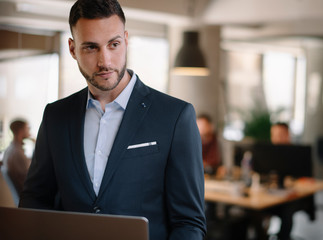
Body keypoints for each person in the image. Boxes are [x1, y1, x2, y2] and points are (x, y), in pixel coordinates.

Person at [19, 1, 206, 239]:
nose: (105, 61)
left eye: (114, 44)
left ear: (126, 40)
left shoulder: (175, 116)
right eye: (90, 48)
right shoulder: (56, 115)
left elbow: (189, 222)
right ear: (73, 49)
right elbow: (36, 199)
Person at [2, 119, 32, 196]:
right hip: (26, 193)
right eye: (27, 128)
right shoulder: (17, 153)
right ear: (21, 131)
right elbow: (30, 177)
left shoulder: (10, 149)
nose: (29, 130)